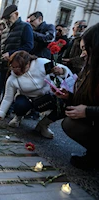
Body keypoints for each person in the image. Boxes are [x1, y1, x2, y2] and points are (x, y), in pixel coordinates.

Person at [0, 50, 72, 139]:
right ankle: (19, 116)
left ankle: (44, 124)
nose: (16, 70)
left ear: (28, 63)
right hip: (27, 99)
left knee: (65, 105)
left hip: (47, 96)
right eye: (13, 67)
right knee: (20, 105)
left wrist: (61, 71)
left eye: (19, 67)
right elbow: (7, 98)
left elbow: (64, 71)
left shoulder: (41, 63)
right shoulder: (12, 79)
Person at [55, 23, 99, 170]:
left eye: (85, 50)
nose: (82, 55)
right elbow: (88, 100)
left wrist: (87, 111)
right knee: (69, 122)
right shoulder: (90, 69)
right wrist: (69, 97)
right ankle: (93, 155)